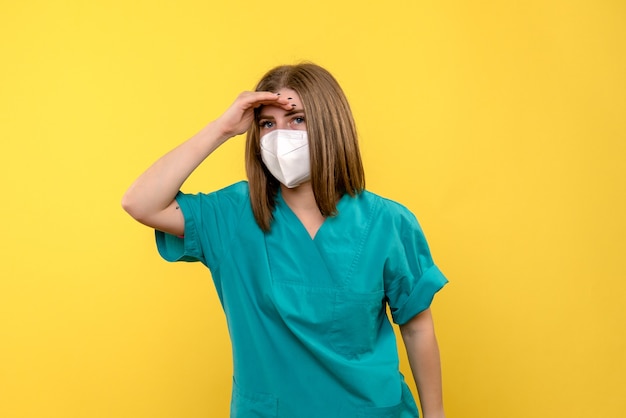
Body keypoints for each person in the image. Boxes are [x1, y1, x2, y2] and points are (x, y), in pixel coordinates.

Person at [122, 63, 448, 418]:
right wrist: (222, 129)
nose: (281, 135)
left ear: (329, 124)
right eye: (267, 124)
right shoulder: (233, 216)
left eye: (297, 119)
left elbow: (417, 328)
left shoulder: (387, 223)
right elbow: (140, 202)